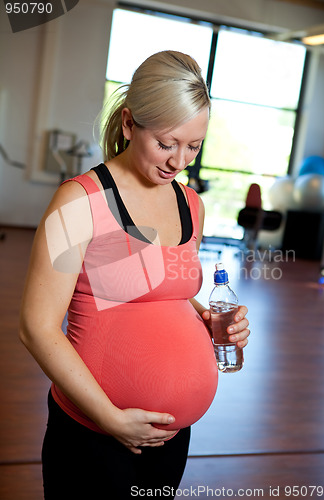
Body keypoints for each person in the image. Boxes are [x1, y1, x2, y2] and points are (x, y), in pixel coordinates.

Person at [19, 50, 250, 499]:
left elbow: (162, 292)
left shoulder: (191, 204)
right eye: (166, 143)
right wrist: (109, 417)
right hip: (94, 434)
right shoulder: (79, 202)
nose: (178, 161)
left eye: (193, 145)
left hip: (171, 438)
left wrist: (211, 322)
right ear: (129, 124)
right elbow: (36, 327)